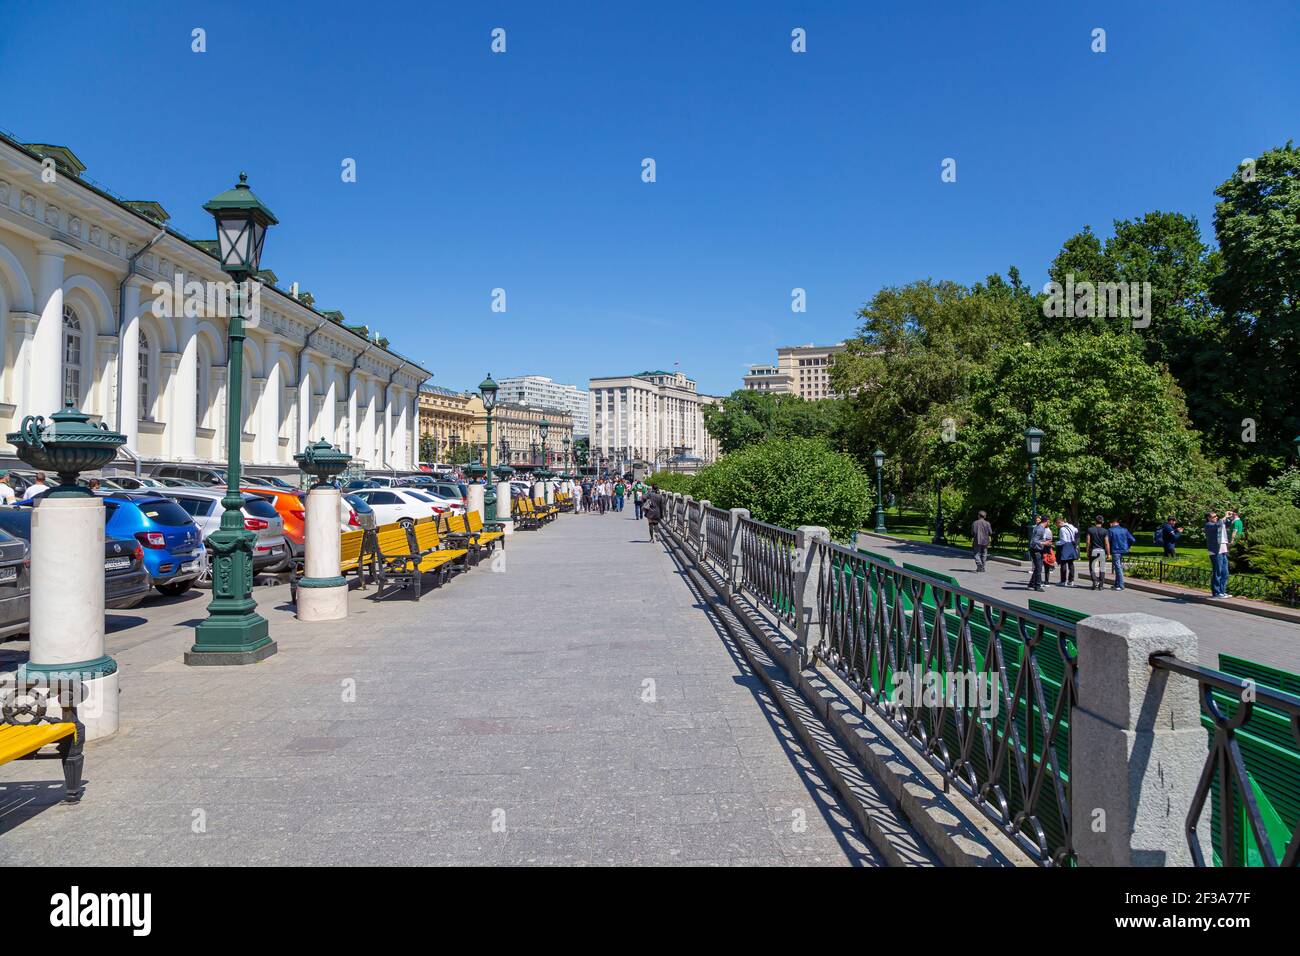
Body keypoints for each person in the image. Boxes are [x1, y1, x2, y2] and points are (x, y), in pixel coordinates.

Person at [1204, 509, 1230, 598]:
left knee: (1225, 572)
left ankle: (1222, 591)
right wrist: (1225, 516)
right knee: (1217, 571)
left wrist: (1230, 518)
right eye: (1214, 516)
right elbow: (1218, 524)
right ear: (1209, 518)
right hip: (1215, 551)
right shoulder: (1208, 525)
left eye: (1216, 516)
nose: (1216, 517)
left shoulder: (1219, 523)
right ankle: (1216, 592)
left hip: (1223, 549)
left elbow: (1227, 524)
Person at [1106, 517, 1136, 590]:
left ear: (1112, 523)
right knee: (1118, 567)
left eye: (1110, 523)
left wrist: (1108, 552)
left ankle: (1121, 585)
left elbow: (1108, 542)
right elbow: (1133, 539)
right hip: (1124, 550)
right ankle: (1116, 584)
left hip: (1116, 550)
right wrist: (1128, 546)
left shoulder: (1110, 530)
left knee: (1118, 568)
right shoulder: (1124, 530)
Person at [1027, 515, 1051, 591]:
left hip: (1036, 549)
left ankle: (1031, 584)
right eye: (1049, 521)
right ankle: (1037, 586)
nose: (1049, 523)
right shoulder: (1040, 529)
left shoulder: (1039, 527)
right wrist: (1044, 543)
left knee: (1037, 568)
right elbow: (1034, 540)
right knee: (1039, 568)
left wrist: (1045, 542)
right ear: (1046, 521)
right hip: (1036, 550)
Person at [1085, 515, 1109, 589]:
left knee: (1092, 567)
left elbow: (1088, 542)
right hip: (1102, 551)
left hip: (1093, 550)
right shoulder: (1105, 531)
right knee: (1102, 568)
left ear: (1095, 521)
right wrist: (1108, 553)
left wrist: (1087, 551)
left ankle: (1095, 581)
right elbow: (1106, 543)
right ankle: (1101, 585)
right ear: (1102, 522)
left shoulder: (1090, 530)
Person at [1055, 516, 1079, 587]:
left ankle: (1063, 581)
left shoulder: (1062, 529)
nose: (1057, 526)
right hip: (1071, 545)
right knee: (1071, 564)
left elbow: (1064, 540)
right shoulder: (1070, 526)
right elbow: (1076, 530)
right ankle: (1071, 581)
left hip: (1065, 546)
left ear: (1059, 522)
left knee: (1063, 564)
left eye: (1056, 524)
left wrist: (1056, 543)